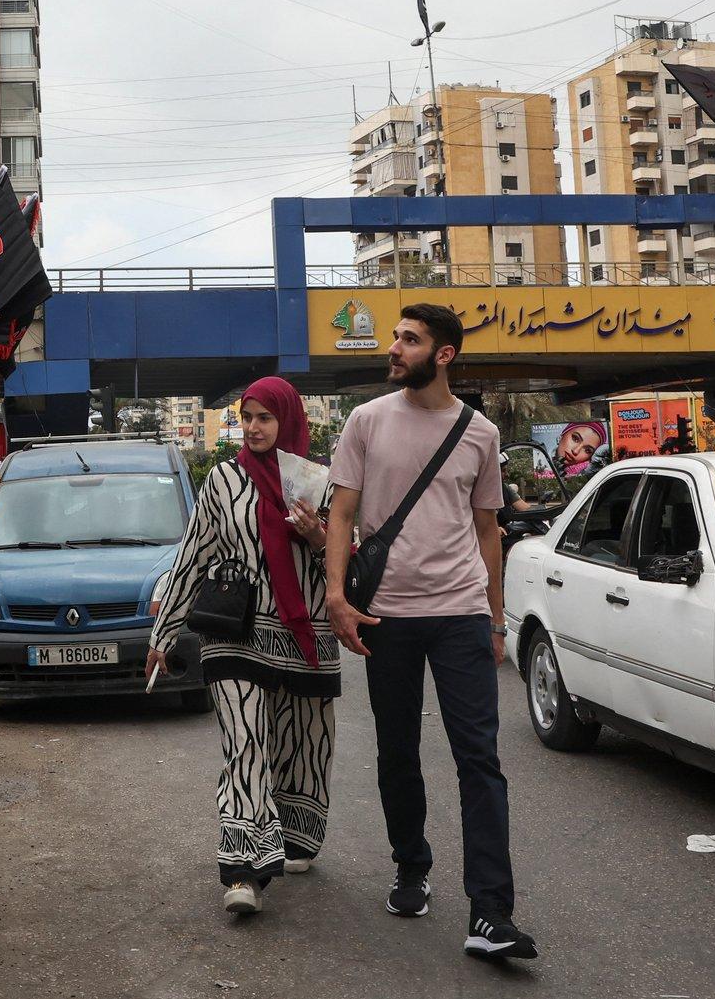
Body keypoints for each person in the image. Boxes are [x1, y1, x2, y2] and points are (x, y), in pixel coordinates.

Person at [323, 303, 539, 963]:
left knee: (480, 758)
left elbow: (487, 531)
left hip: (460, 613)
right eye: (395, 335)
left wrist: (496, 616)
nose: (394, 347)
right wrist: (337, 596)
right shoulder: (366, 420)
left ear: (443, 353)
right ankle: (411, 867)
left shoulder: (479, 433)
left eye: (409, 339)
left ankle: (491, 913)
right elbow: (341, 513)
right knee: (398, 751)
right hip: (386, 613)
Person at [146, 376, 337, 917]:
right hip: (235, 635)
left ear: (288, 421)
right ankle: (243, 871)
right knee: (244, 743)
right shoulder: (223, 483)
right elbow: (193, 555)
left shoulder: (318, 483)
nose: (252, 428)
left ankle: (296, 836)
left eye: (264, 418)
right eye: (246, 417)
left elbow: (351, 560)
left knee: (304, 741)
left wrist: (318, 537)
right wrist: (163, 634)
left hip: (307, 637)